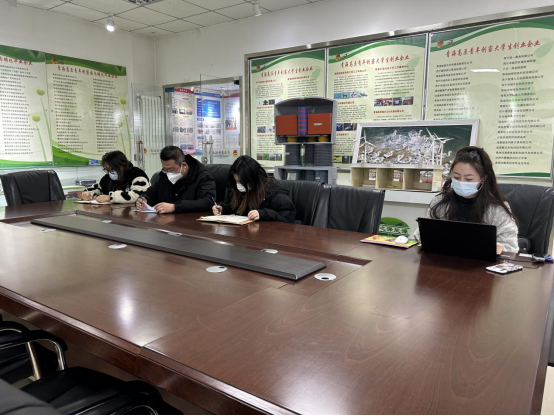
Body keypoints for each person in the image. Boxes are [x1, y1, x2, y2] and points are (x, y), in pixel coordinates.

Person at [414, 146, 519, 253]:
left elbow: (510, 247)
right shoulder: (440, 201)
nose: (461, 182)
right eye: (456, 177)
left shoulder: (496, 208)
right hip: (443, 259)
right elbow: (421, 233)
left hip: (480, 262)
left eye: (468, 179)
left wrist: (480, 246)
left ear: (483, 179)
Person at [212, 155, 296, 223]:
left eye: (241, 182)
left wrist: (263, 214)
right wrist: (222, 208)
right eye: (236, 181)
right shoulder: (239, 190)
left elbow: (288, 217)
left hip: (269, 234)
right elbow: (234, 207)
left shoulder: (273, 193)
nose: (239, 185)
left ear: (252, 179)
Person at [136, 146, 215, 214]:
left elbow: (208, 202)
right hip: (165, 222)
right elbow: (151, 193)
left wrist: (175, 207)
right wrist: (144, 199)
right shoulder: (164, 176)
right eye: (165, 169)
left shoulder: (203, 177)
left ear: (184, 165)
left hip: (191, 222)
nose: (168, 173)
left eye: (171, 169)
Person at [83, 151, 149, 203]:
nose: (110, 172)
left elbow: (138, 195)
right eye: (107, 170)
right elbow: (95, 189)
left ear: (123, 166)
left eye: (112, 169)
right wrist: (88, 194)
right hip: (111, 211)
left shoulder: (137, 175)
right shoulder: (107, 178)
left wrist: (111, 197)